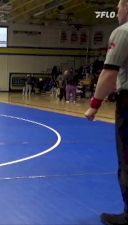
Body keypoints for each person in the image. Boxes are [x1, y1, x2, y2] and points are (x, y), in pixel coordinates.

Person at [85, 1, 128, 224]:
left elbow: (108, 74)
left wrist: (94, 104)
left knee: (127, 159)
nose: (117, 12)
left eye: (119, 7)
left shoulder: (122, 32)